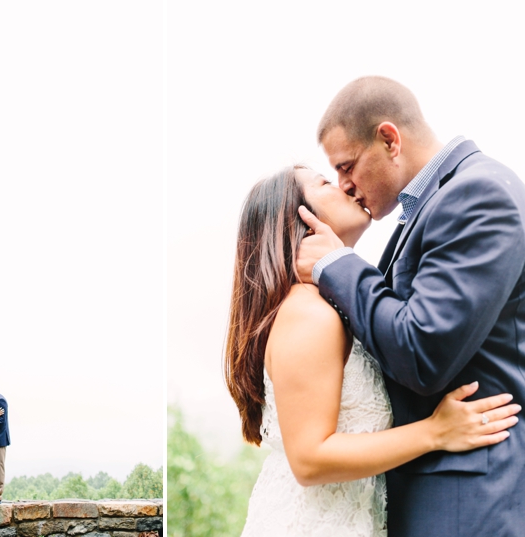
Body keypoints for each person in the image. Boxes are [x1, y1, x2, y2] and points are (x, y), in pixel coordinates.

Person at [225, 166, 521, 536]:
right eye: (325, 182)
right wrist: (435, 432)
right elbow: (309, 459)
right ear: (296, 220)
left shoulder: (331, 306)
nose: (345, 186)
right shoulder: (308, 312)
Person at [295, 76, 525, 536]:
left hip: (466, 500)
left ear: (389, 139)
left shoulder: (478, 194)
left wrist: (339, 265)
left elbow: (423, 354)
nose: (346, 186)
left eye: (347, 167)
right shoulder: (430, 206)